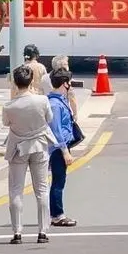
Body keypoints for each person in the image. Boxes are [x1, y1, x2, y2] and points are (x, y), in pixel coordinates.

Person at [2, 64, 56, 245]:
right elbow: (49, 119)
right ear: (31, 80)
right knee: (41, 189)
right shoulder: (42, 101)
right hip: (39, 145)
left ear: (15, 83)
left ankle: (17, 232)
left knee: (16, 189)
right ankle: (43, 231)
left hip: (18, 147)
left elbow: (6, 123)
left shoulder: (10, 105)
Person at [46, 69, 77, 228]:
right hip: (58, 149)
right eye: (69, 82)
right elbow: (56, 129)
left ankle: (56, 214)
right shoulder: (55, 104)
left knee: (59, 181)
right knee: (58, 182)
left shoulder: (59, 100)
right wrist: (65, 151)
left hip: (61, 146)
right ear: (64, 83)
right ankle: (57, 215)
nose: (71, 86)